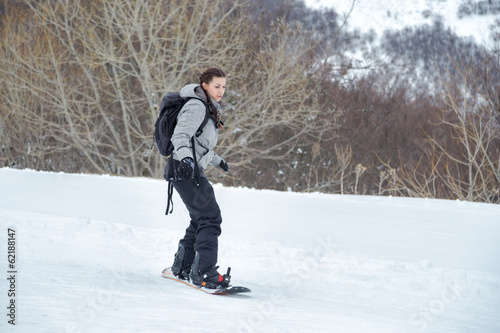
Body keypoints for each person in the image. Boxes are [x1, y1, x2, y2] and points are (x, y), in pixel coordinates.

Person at [164, 68, 230, 289]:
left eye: (223, 86)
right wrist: (187, 161)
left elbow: (199, 144)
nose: (221, 91)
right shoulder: (196, 106)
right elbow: (180, 136)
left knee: (200, 217)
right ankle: (204, 273)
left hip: (185, 167)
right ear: (205, 86)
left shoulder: (207, 107)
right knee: (210, 217)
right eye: (216, 86)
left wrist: (217, 161)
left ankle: (182, 267)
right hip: (184, 168)